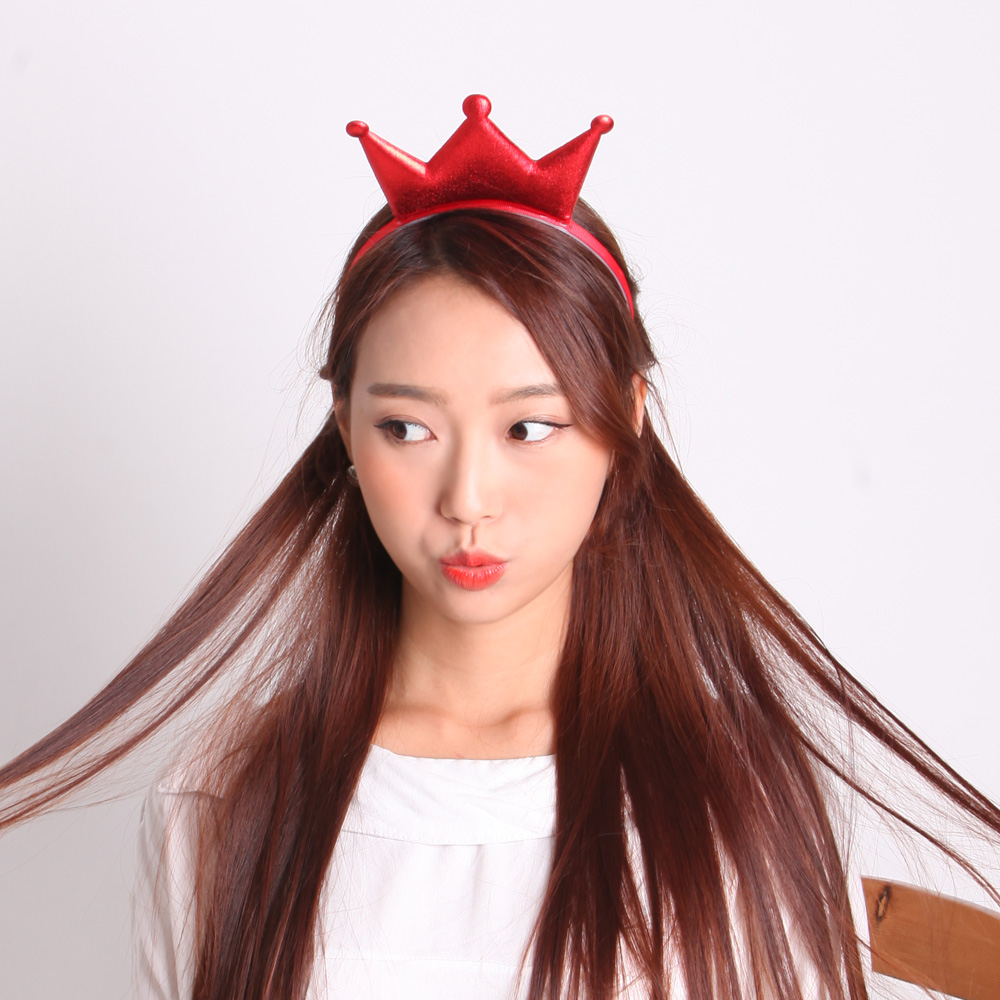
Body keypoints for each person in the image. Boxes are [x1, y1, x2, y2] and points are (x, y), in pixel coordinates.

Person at [1, 94, 998, 1000]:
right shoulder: (225, 798)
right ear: (344, 426)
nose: (467, 499)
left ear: (627, 417)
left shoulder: (729, 800)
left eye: (529, 427)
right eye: (406, 428)